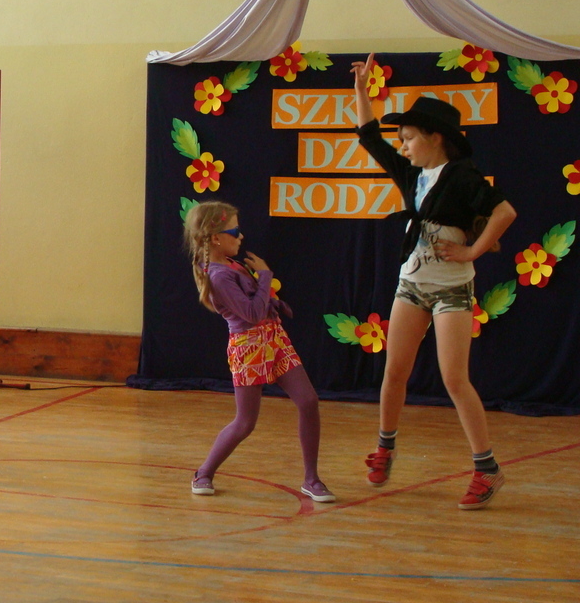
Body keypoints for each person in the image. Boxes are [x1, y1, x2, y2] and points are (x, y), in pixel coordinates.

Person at [352, 53, 517, 510]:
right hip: (411, 285)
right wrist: (362, 91)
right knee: (394, 372)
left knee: (454, 378)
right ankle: (385, 446)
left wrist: (472, 250)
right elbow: (369, 136)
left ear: (435, 137)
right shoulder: (412, 175)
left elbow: (504, 212)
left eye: (408, 138)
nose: (403, 147)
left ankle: (487, 468)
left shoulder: (462, 176)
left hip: (452, 289)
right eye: (401, 140)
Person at [184, 201, 334, 502]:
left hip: (274, 340)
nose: (241, 237)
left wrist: (272, 303)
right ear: (216, 237)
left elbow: (254, 303)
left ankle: (311, 479)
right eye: (234, 232)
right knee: (245, 422)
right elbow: (250, 314)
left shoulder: (232, 265)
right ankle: (204, 472)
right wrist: (264, 275)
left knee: (308, 401)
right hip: (249, 347)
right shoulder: (219, 275)